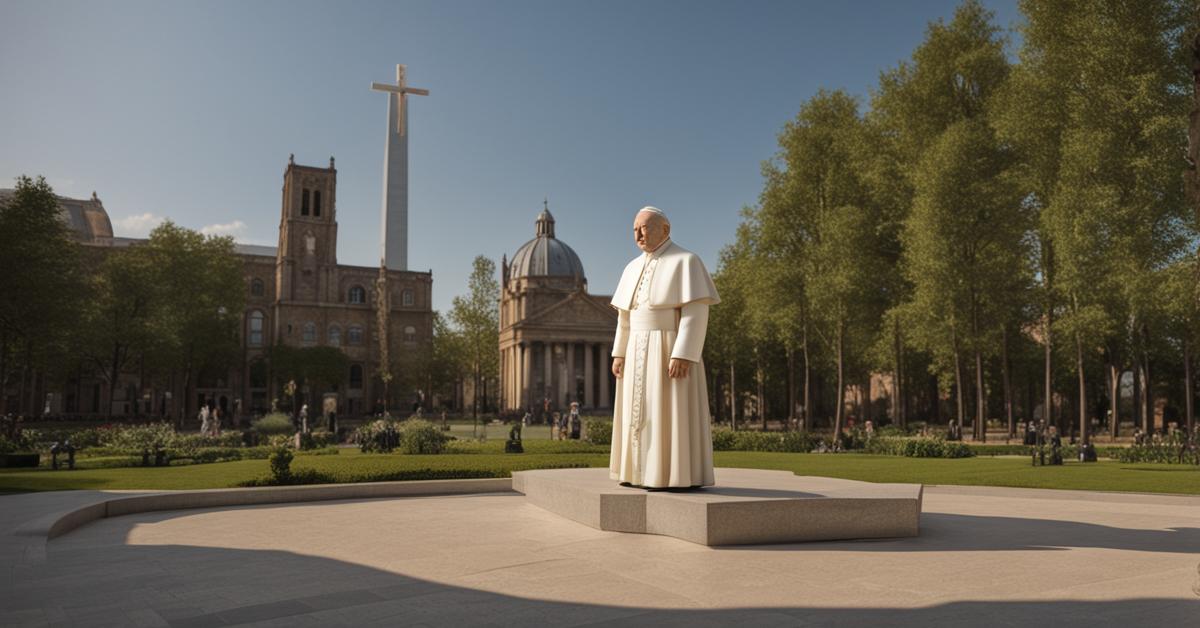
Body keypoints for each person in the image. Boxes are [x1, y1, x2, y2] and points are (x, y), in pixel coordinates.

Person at [609, 206, 720, 489]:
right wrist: (619, 352)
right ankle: (636, 473)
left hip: (668, 346)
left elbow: (696, 312)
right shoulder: (631, 268)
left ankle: (673, 475)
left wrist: (684, 351)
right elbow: (625, 317)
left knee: (668, 412)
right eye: (634, 229)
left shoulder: (686, 261)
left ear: (665, 229)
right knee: (636, 413)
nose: (638, 234)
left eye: (644, 227)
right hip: (635, 348)